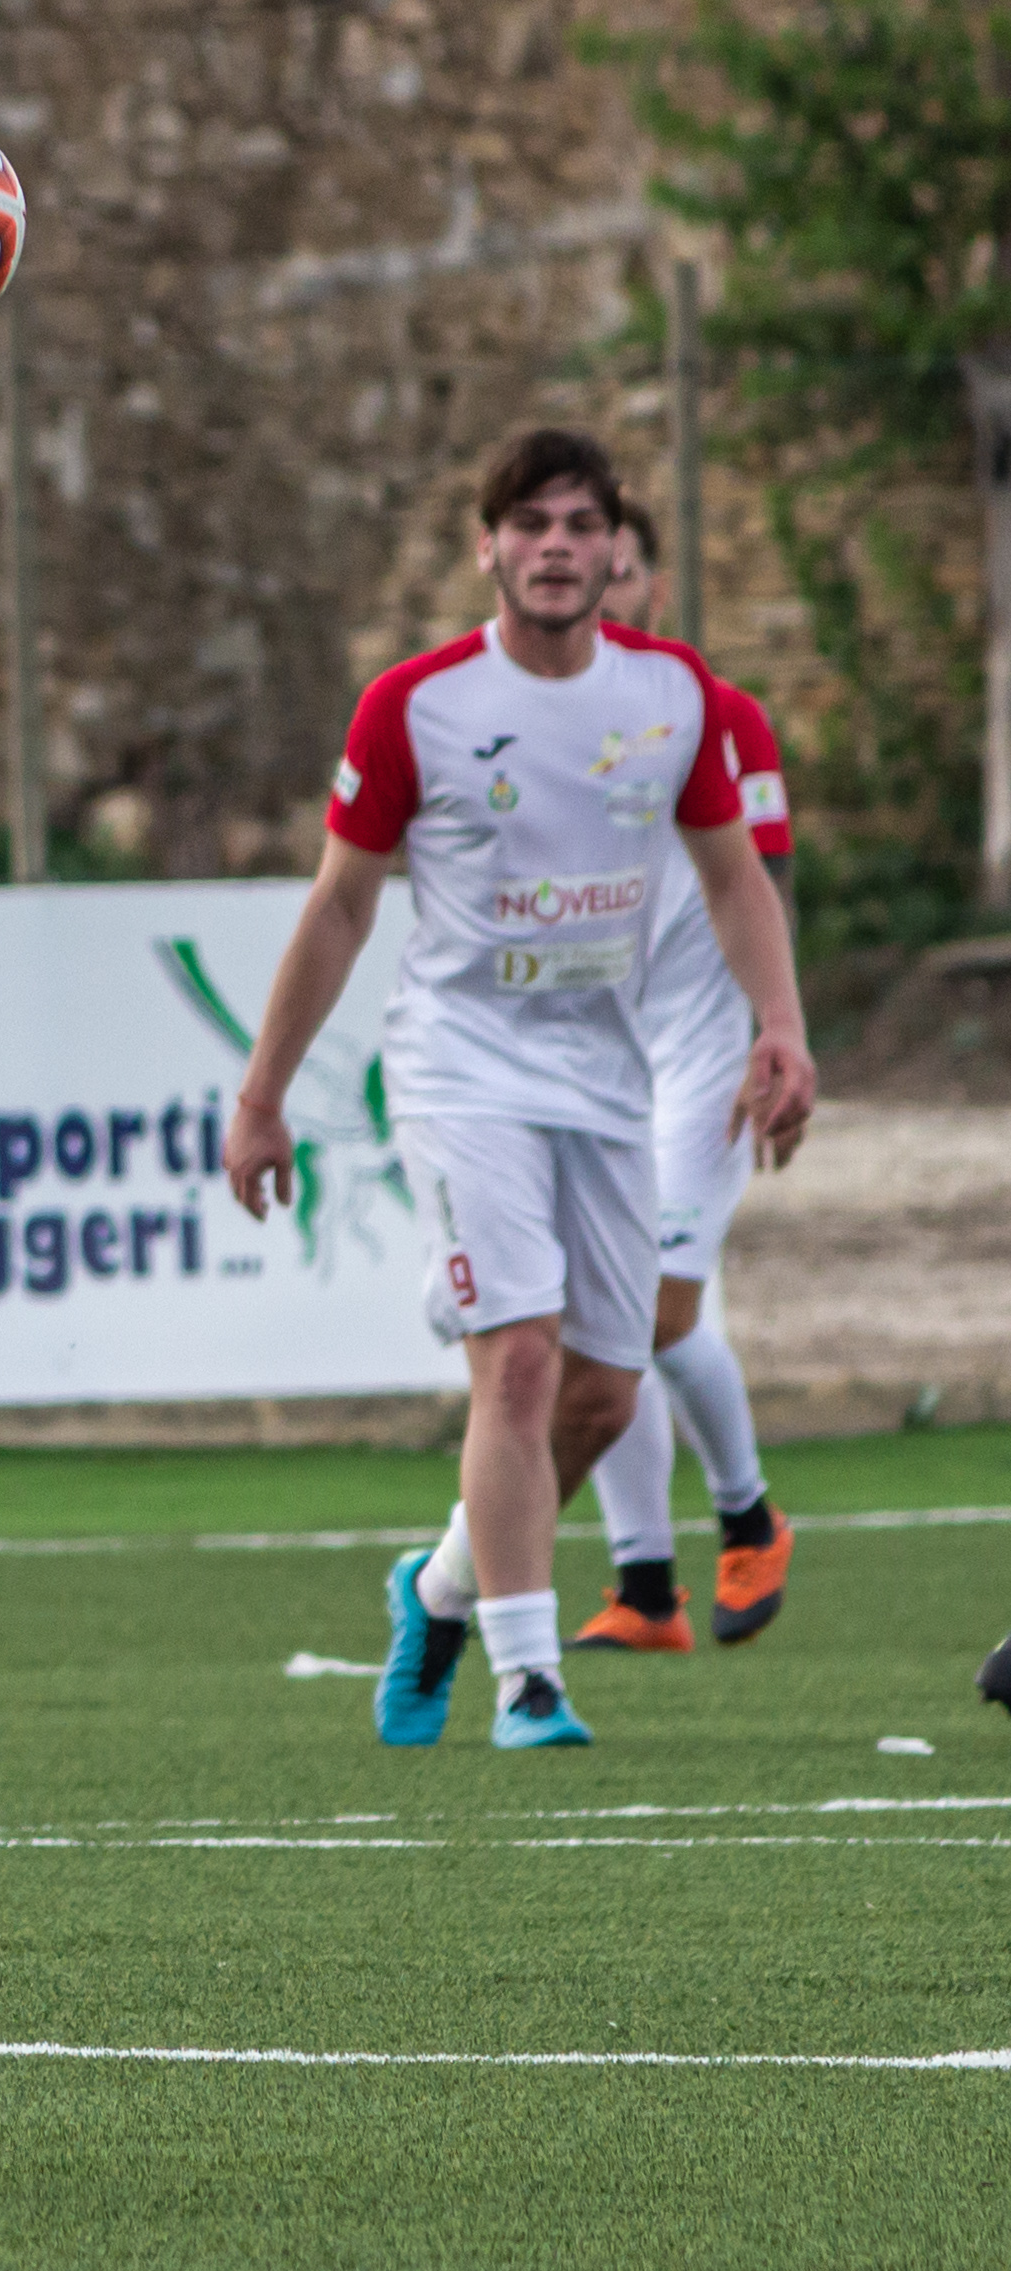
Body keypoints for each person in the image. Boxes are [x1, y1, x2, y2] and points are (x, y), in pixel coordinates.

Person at [222, 429, 812, 1751]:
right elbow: (339, 907)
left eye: (579, 524)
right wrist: (262, 1096)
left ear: (614, 549)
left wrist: (779, 1025)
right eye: (529, 524)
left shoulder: (672, 698)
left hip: (607, 1079)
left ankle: (437, 1589)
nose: (555, 546)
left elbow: (733, 876)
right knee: (522, 1359)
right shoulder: (413, 705)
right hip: (460, 1070)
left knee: (606, 1391)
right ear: (485, 546)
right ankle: (526, 1680)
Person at [571, 506, 798, 1654]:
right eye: (588, 567)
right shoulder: (537, 724)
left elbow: (763, 880)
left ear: (654, 590)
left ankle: (750, 1519)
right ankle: (646, 1589)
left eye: (621, 570)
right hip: (591, 1061)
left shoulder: (721, 715)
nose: (601, 587)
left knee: (656, 1310)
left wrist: (777, 1028)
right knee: (589, 1320)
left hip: (705, 1057)